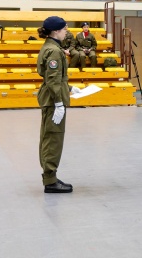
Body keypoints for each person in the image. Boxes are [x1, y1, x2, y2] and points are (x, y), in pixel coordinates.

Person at [36, 16, 81, 193]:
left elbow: (53, 77)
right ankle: (50, 181)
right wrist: (59, 103)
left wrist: (69, 87)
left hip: (51, 97)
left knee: (50, 137)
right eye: (64, 29)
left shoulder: (50, 47)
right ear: (56, 31)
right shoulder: (54, 51)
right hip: (53, 100)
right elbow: (52, 79)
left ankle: (50, 177)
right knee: (53, 139)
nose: (66, 32)